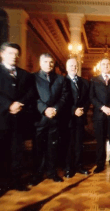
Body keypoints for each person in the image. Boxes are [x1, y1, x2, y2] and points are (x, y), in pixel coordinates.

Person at [0, 42, 36, 191]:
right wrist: (9, 105)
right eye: (10, 53)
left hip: (19, 119)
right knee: (2, 152)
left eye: (16, 54)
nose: (14, 57)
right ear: (1, 54)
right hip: (2, 118)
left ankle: (16, 181)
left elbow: (31, 93)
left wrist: (20, 103)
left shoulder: (24, 74)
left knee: (17, 152)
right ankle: (2, 183)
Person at [31, 53, 68, 184]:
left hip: (55, 118)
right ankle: (37, 174)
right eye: (46, 62)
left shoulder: (60, 79)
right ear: (40, 63)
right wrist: (44, 109)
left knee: (53, 148)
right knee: (38, 147)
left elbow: (64, 96)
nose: (49, 65)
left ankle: (52, 173)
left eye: (51, 62)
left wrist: (55, 109)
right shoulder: (33, 78)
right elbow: (33, 97)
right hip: (40, 118)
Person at [63, 58, 90, 178]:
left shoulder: (84, 82)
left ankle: (79, 166)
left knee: (79, 143)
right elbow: (63, 100)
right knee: (68, 144)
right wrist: (74, 110)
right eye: (71, 66)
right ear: (67, 68)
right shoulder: (62, 81)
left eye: (75, 66)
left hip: (80, 117)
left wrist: (82, 109)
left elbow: (88, 99)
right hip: (68, 117)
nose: (73, 67)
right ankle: (68, 169)